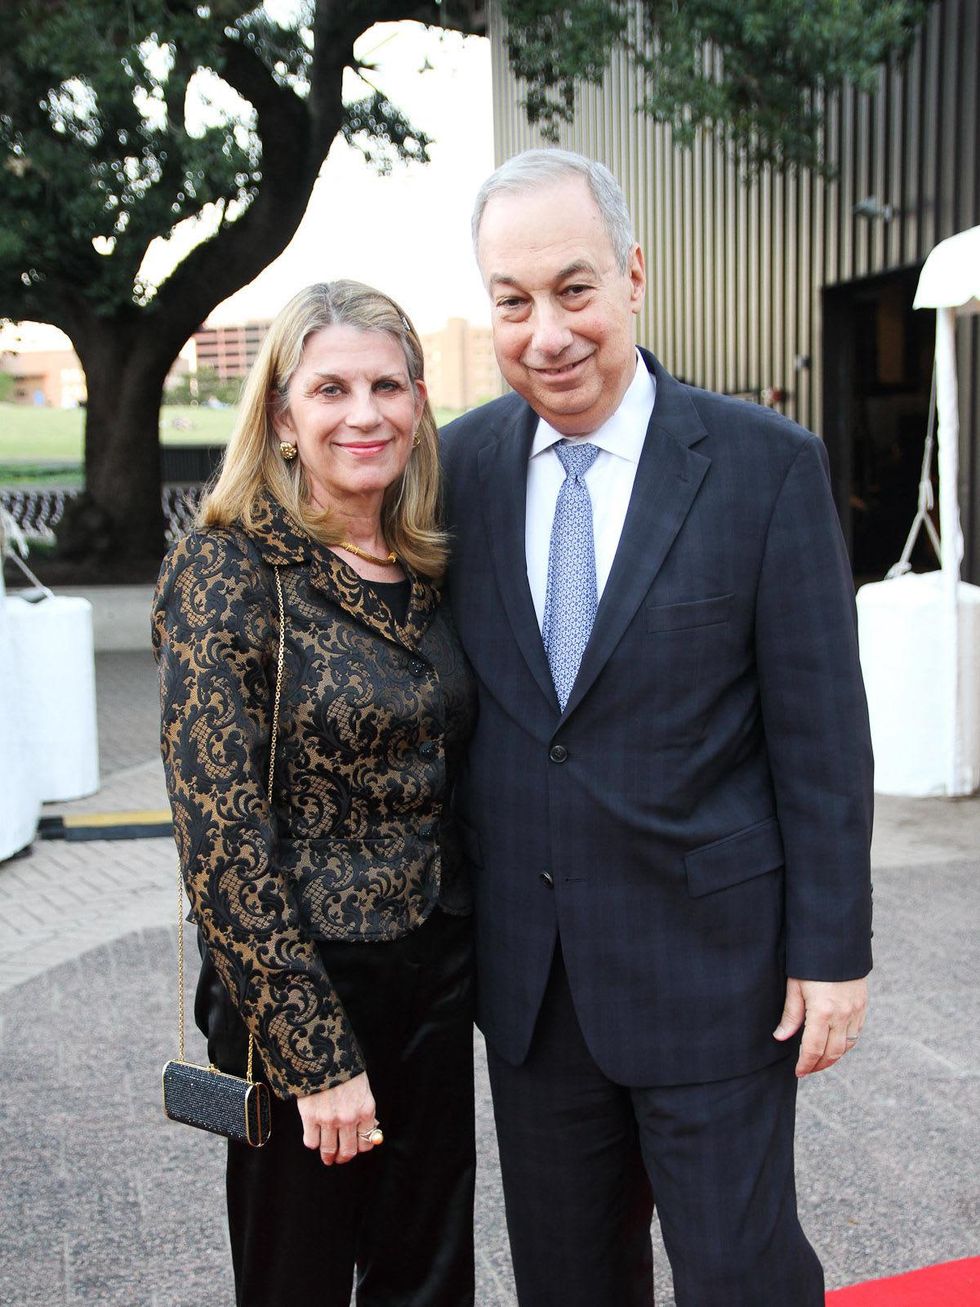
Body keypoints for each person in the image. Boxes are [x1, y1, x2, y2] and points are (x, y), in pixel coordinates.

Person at [441, 149, 873, 1306]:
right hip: (531, 985)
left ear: (633, 273)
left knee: (740, 1273)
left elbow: (821, 735)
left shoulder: (764, 468)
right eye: (512, 300)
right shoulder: (458, 468)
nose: (546, 332)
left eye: (573, 289)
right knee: (568, 1281)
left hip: (714, 970)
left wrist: (831, 950)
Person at [153, 281, 477, 1307]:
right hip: (296, 990)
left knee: (426, 1277)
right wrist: (315, 1058)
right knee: (297, 1278)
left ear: (419, 404)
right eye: (329, 387)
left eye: (387, 384)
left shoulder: (429, 562)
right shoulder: (227, 565)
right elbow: (219, 839)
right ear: (282, 414)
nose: (362, 411)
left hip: (434, 978)